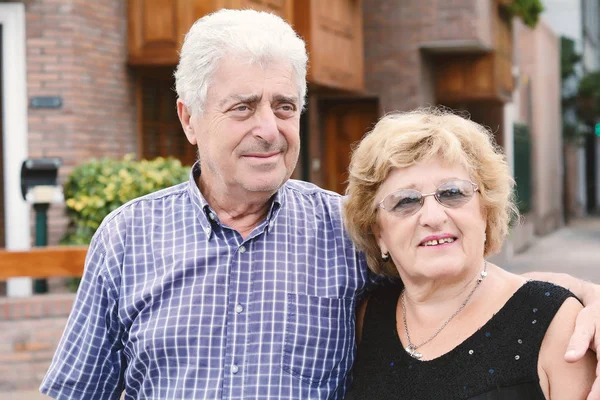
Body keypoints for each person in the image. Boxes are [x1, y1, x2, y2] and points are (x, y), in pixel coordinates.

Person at [39, 9, 600, 400]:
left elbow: (456, 276)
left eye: (284, 107)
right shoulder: (126, 236)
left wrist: (583, 296)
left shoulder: (346, 229)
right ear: (189, 118)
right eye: (243, 108)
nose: (269, 129)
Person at [343, 109, 597, 399]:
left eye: (452, 192)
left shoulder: (557, 323)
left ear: (485, 211)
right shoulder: (369, 317)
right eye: (406, 201)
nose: (433, 217)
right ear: (380, 234)